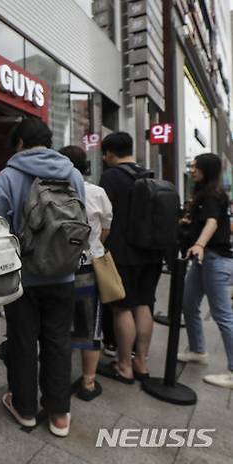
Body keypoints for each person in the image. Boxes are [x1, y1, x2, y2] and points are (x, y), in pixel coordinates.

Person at [0, 118, 85, 437]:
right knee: (59, 341)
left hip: (23, 278)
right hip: (64, 274)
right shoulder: (72, 174)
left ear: (19, 143)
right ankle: (59, 415)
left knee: (22, 341)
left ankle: (26, 408)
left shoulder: (8, 176)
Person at [97, 132, 163, 384]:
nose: (104, 158)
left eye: (105, 154)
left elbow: (105, 218)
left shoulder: (111, 177)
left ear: (111, 153)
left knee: (122, 308)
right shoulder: (148, 175)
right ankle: (141, 362)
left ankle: (124, 365)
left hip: (124, 253)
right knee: (144, 304)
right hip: (151, 254)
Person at [59, 146, 113, 401]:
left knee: (58, 324)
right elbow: (105, 229)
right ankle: (88, 383)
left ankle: (57, 376)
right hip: (89, 264)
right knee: (89, 326)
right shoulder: (97, 192)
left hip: (57, 267)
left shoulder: (52, 191)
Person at [178, 153, 233, 389]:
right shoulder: (204, 193)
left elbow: (212, 222)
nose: (192, 170)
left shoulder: (212, 194)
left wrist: (199, 244)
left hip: (214, 259)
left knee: (223, 315)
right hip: (204, 260)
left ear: (206, 169)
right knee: (189, 303)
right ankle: (198, 350)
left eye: (195, 167)